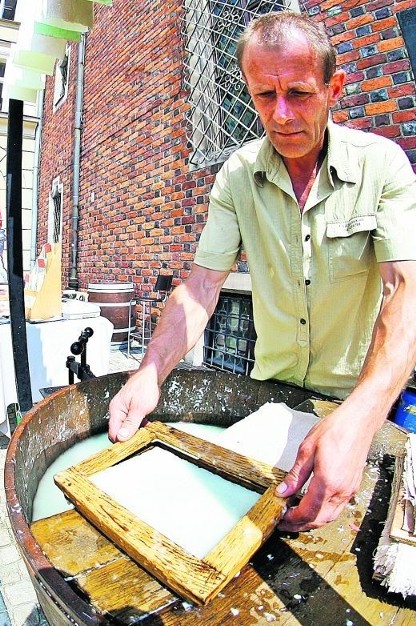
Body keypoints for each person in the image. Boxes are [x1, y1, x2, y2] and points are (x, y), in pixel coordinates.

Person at [109, 11, 416, 533]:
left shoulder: (380, 164)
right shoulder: (237, 175)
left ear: (333, 87)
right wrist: (150, 369)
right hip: (270, 400)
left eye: (298, 93)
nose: (280, 115)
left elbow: (406, 288)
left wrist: (361, 416)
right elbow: (202, 288)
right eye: (262, 96)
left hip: (359, 403)